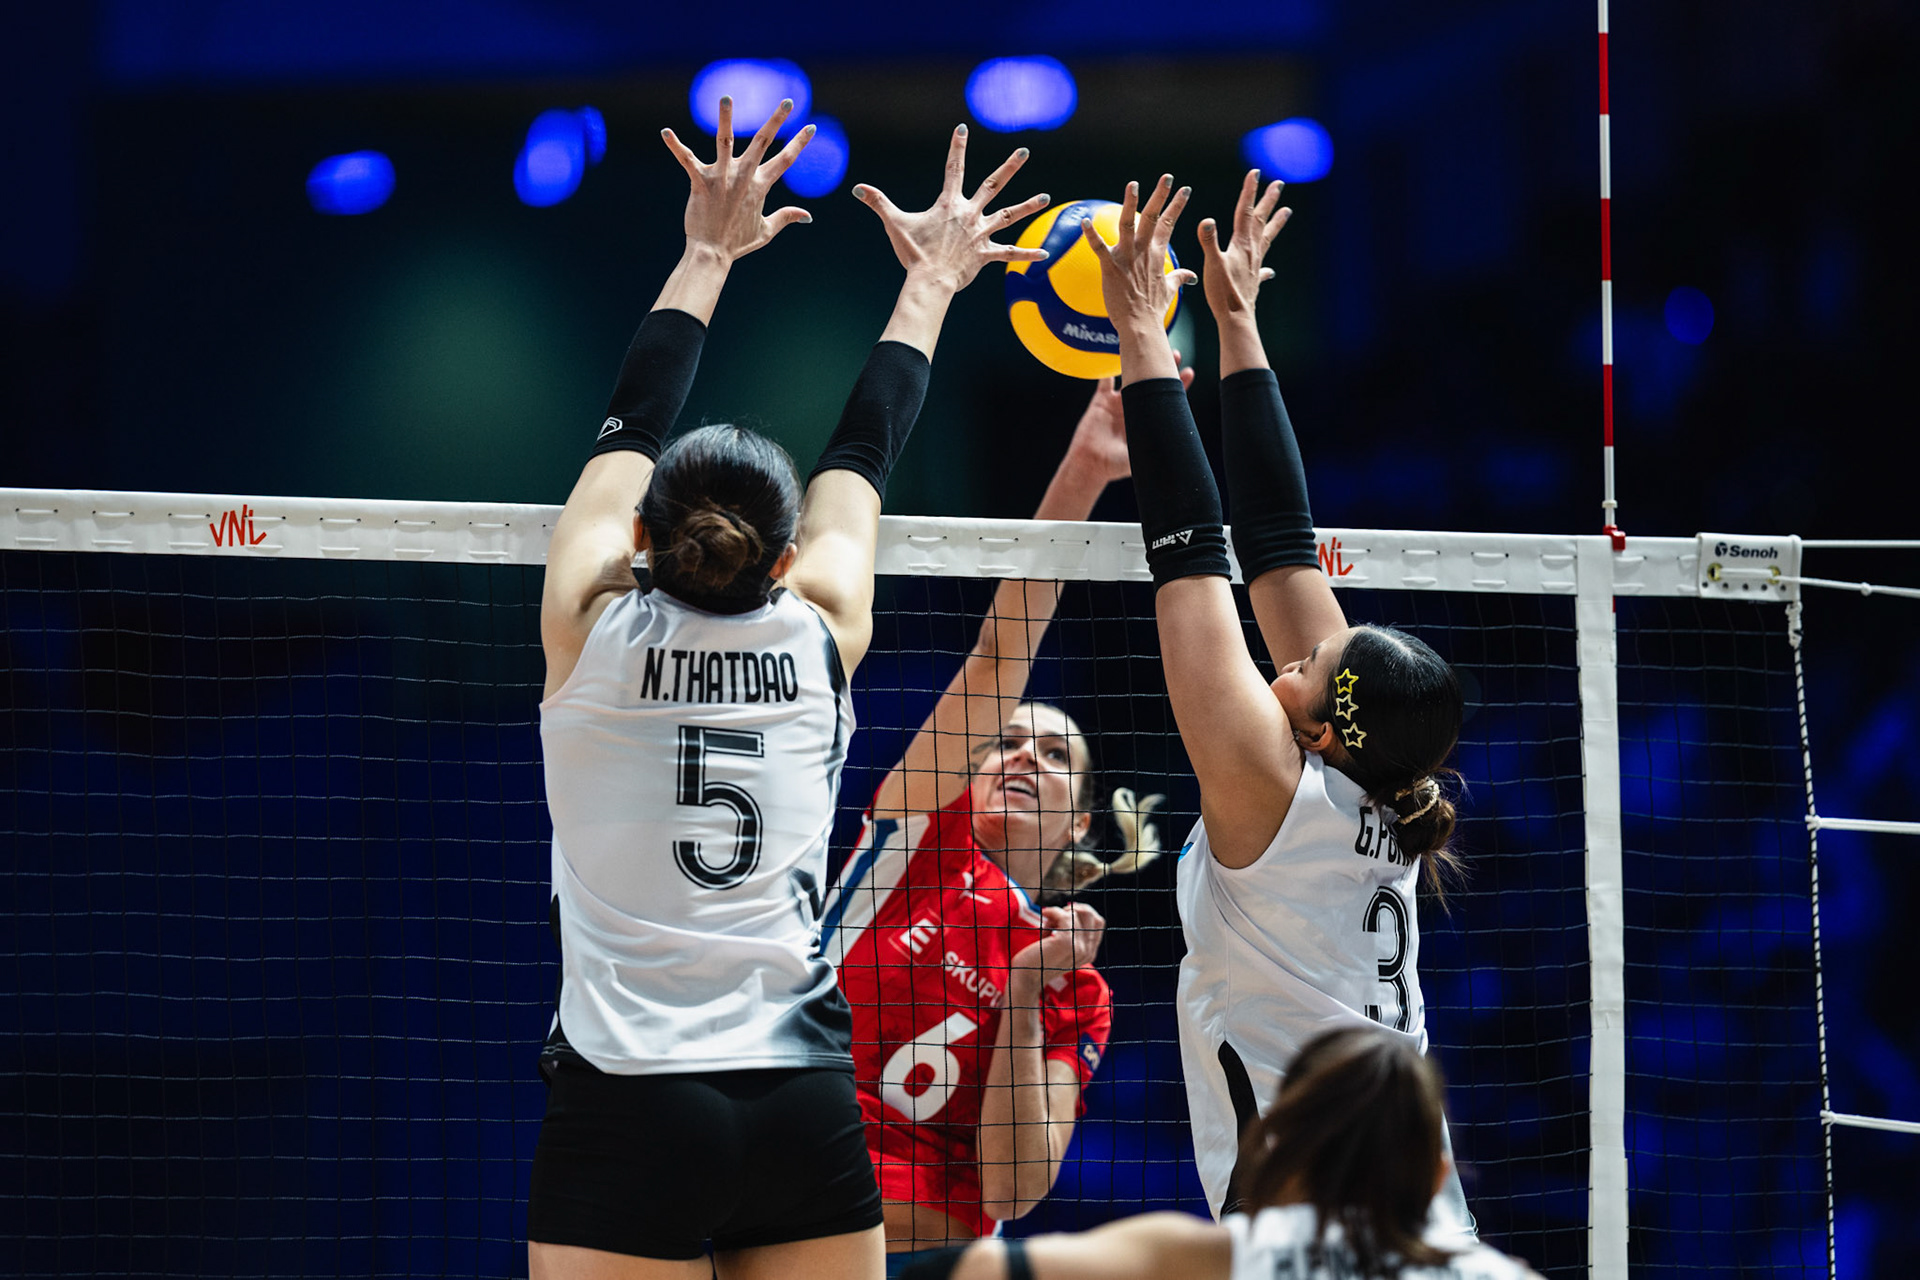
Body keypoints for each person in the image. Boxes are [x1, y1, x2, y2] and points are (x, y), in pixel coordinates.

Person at [526, 98, 1052, 1280]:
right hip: (799, 1097)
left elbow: (630, 417)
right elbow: (862, 452)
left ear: (642, 539)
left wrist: (705, 250)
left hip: (625, 1101)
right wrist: (931, 279)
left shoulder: (587, 627)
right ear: (781, 560)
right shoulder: (822, 631)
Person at [1079, 171, 1475, 1231]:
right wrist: (1236, 321)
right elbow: (1279, 540)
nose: (1289, 653)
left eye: (1307, 663)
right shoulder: (1369, 776)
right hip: (1411, 1184)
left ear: (1324, 723)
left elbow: (1192, 558)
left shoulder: (1270, 780)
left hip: (1318, 1204)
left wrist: (1141, 335)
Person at [819, 371, 1184, 1274]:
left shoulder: (1074, 983)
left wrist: (1024, 992)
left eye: (1056, 757)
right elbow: (997, 658)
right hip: (801, 1219)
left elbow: (1017, 1186)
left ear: (1078, 824)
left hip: (946, 1255)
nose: (1024, 755)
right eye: (1008, 743)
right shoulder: (921, 835)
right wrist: (1086, 472)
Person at [892, 1026, 1541, 1280]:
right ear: (1438, 1173)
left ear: (1276, 1143)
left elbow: (980, 1269)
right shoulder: (1500, 1277)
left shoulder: (1229, 1254)